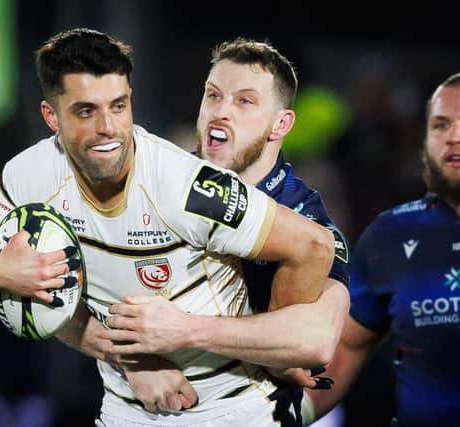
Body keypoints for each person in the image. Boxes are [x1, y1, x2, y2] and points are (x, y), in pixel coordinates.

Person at [0, 28, 338, 426]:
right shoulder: (29, 176)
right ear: (51, 116)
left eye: (118, 106)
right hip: (126, 411)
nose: (108, 127)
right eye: (86, 110)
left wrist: (275, 363)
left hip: (231, 414)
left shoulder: (185, 185)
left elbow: (314, 246)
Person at [98, 38, 351, 425]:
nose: (221, 112)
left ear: (281, 124)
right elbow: (89, 283)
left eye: (244, 101)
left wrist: (185, 331)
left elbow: (313, 340)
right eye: (213, 96)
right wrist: (130, 355)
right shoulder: (157, 184)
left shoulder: (307, 223)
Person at [305, 72, 460, 426]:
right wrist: (280, 418)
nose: (455, 136)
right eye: (441, 125)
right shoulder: (389, 234)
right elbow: (348, 345)